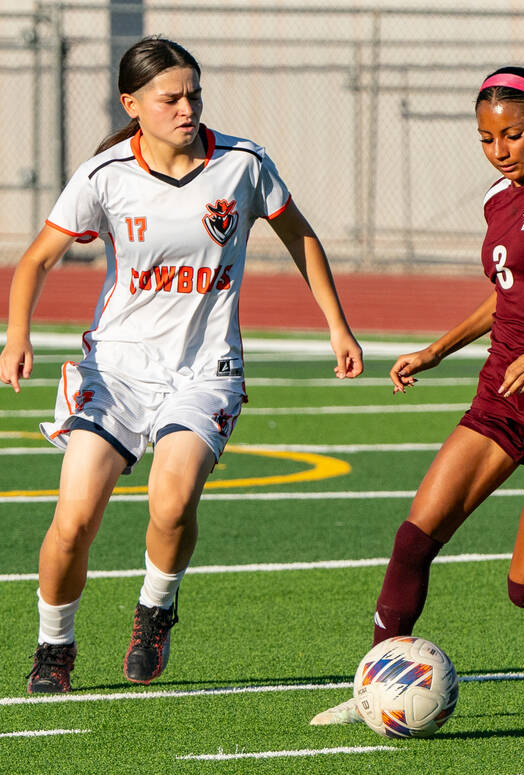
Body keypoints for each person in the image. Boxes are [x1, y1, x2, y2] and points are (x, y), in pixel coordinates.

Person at [1, 36, 363, 694]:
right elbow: (35, 261)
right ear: (132, 104)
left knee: (171, 505)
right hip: (114, 371)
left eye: (194, 94)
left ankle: (155, 608)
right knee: (73, 520)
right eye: (170, 98)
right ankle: (55, 644)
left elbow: (299, 235)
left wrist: (338, 327)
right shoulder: (105, 175)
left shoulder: (243, 164)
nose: (187, 108)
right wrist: (16, 334)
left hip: (205, 370)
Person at [311, 66, 524, 727]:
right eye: (486, 138)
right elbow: (507, 294)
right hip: (502, 393)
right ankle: (376, 687)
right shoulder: (498, 199)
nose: (500, 150)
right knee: (414, 539)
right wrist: (438, 348)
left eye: (512, 134)